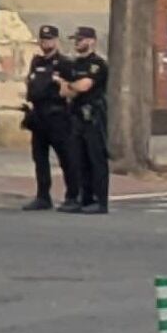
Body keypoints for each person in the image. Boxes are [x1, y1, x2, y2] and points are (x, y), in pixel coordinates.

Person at [57, 26, 114, 214]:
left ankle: (100, 200)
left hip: (93, 116)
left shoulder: (97, 64)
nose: (77, 43)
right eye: (76, 40)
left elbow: (84, 86)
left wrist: (71, 86)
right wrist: (71, 87)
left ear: (91, 41)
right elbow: (64, 91)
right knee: (78, 159)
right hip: (76, 115)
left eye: (80, 40)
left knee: (96, 158)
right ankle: (84, 197)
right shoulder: (75, 65)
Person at [21, 27, 69, 210]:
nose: (45, 43)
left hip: (57, 115)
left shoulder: (64, 64)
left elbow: (68, 89)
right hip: (39, 115)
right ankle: (43, 196)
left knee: (66, 157)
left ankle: (72, 194)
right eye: (43, 39)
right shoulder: (36, 62)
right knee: (40, 158)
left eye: (49, 39)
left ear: (56, 41)